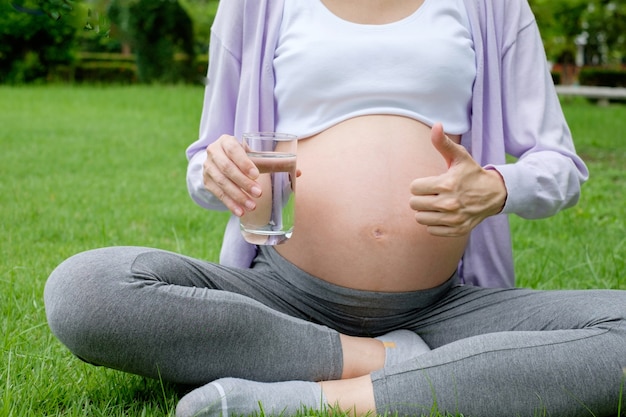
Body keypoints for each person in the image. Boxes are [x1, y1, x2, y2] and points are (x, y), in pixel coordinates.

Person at [43, 0, 626, 416]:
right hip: (282, 298)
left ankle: (323, 398)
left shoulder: (493, 7)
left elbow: (561, 167)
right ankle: (387, 360)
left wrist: (498, 187)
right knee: (84, 289)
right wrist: (216, 168)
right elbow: (205, 159)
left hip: (447, 307)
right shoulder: (256, 6)